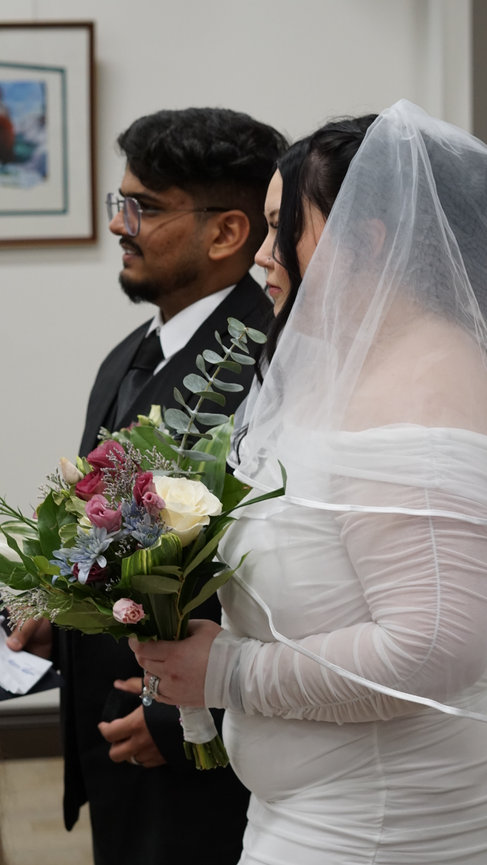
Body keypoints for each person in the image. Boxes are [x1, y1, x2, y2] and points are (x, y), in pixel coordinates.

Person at [130, 100, 487, 864]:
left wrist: (228, 670)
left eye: (278, 226)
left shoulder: (424, 395)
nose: (261, 254)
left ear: (365, 239)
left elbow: (433, 648)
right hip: (311, 811)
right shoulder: (354, 370)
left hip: (385, 829)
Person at [7, 106, 287, 865]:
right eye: (119, 202)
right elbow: (107, 528)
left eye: (146, 207)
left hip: (205, 756)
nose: (120, 225)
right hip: (116, 741)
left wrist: (183, 717)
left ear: (228, 230)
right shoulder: (130, 351)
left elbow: (285, 573)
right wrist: (51, 609)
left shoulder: (271, 363)